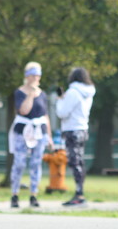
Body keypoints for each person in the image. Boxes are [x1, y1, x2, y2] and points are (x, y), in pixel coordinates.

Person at [8, 62, 54, 208]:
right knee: (19, 163)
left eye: (38, 75)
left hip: (39, 132)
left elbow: (45, 116)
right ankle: (15, 194)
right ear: (27, 77)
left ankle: (34, 194)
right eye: (33, 75)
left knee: (36, 163)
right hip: (22, 131)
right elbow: (24, 111)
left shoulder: (43, 94)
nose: (36, 78)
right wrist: (30, 95)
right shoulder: (19, 93)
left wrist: (49, 137)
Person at [56, 67, 96, 206]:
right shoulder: (88, 92)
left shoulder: (73, 92)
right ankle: (80, 192)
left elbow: (62, 113)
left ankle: (79, 195)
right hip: (83, 128)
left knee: (74, 162)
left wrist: (60, 99)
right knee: (79, 161)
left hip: (72, 129)